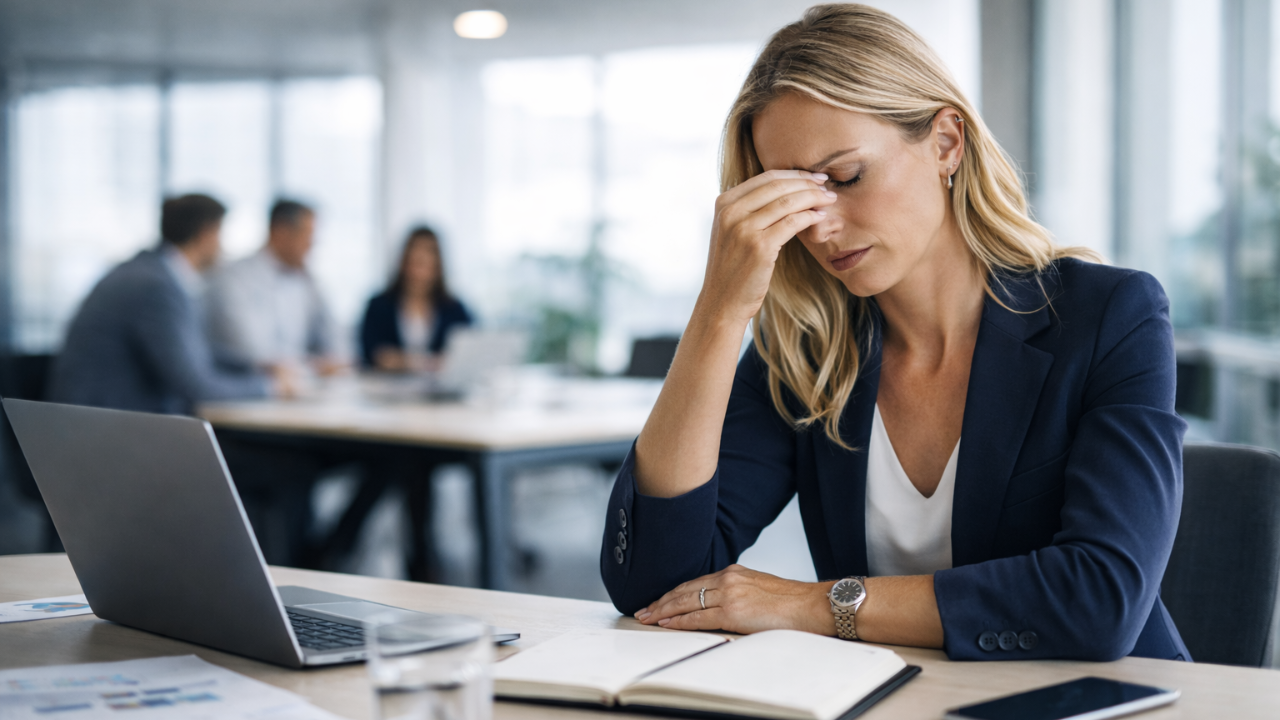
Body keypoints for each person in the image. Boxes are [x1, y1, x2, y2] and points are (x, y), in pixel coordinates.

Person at [601, 4, 1189, 663]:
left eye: (846, 177)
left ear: (946, 143)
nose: (820, 229)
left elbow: (1099, 601)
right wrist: (718, 312)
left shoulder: (1110, 316)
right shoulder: (808, 350)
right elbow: (658, 585)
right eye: (791, 198)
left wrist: (810, 604)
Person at [48, 194, 273, 414]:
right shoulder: (155, 286)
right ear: (206, 234)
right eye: (221, 235)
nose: (223, 248)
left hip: (108, 419)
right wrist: (270, 387)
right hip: (105, 429)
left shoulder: (151, 272)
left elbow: (192, 349)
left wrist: (256, 367)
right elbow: (196, 386)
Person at [206, 199, 341, 375]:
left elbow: (336, 344)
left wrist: (329, 360)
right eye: (307, 236)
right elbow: (251, 353)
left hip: (297, 386)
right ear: (281, 232)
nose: (312, 245)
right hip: (249, 388)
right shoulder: (234, 278)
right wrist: (311, 366)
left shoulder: (307, 282)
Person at [359, 225, 472, 371]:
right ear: (404, 262)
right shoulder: (379, 306)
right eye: (416, 261)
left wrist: (403, 359)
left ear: (438, 266)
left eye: (426, 262)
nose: (420, 271)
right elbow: (373, 353)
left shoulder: (454, 308)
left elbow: (468, 351)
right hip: (389, 387)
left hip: (439, 390)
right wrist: (426, 362)